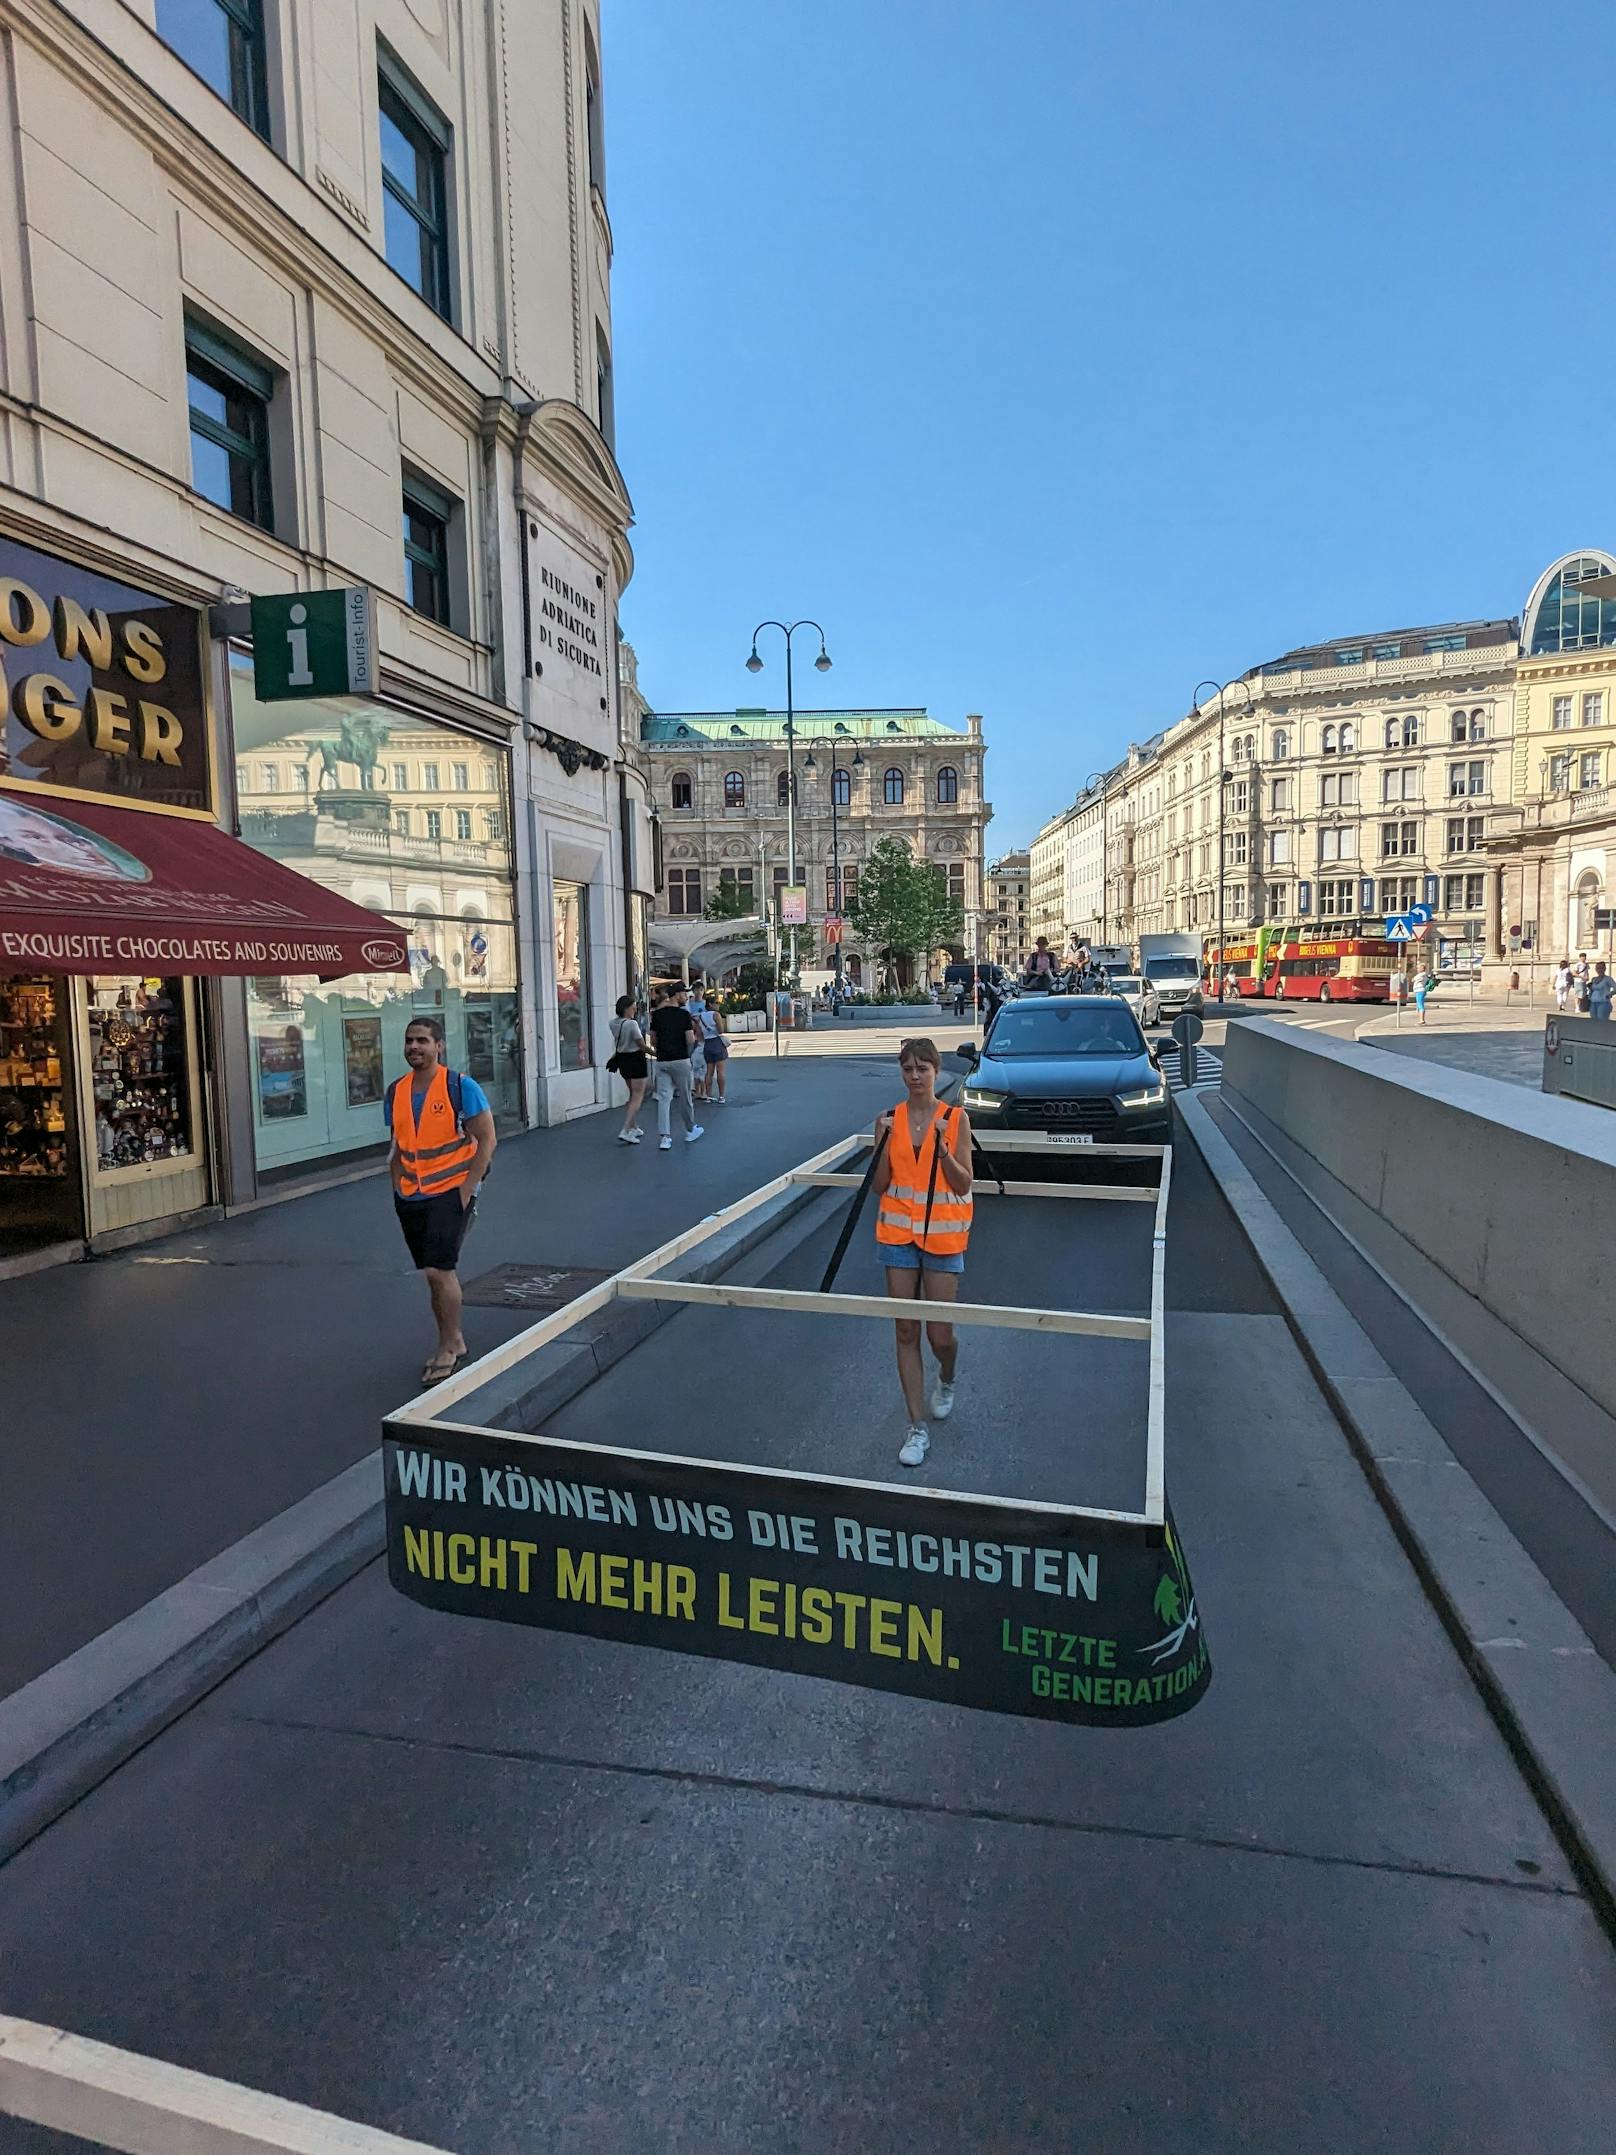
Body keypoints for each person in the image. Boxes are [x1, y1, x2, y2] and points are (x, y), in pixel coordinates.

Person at [873, 1037, 973, 1468]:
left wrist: (945, 1150)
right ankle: (916, 1427)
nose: (915, 1077)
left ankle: (947, 1376)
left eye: (923, 1069)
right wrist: (881, 1142)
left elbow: (964, 1182)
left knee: (940, 1335)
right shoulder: (889, 1120)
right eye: (908, 1069)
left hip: (942, 1237)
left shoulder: (955, 1118)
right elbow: (879, 1185)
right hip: (897, 1236)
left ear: (936, 1072)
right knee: (906, 1332)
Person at [387, 1016, 496, 1387]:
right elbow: (398, 1144)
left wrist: (466, 1190)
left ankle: (449, 1346)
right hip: (410, 1196)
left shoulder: (460, 1087)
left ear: (439, 1046)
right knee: (431, 1275)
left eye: (422, 1040)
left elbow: (487, 1139)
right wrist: (396, 1187)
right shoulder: (397, 1090)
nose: (414, 1047)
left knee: (439, 1270)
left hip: (451, 1191)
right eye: (409, 1041)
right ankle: (454, 1340)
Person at [648, 985, 704, 1149]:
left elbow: (652, 1040)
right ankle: (690, 1129)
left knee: (664, 1099)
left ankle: (665, 1137)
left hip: (662, 1061)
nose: (687, 997)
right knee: (685, 1096)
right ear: (677, 995)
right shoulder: (684, 1015)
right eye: (685, 994)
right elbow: (689, 1040)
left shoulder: (656, 1015)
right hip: (680, 1060)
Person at [609, 994, 649, 1143]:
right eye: (633, 1007)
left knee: (633, 1094)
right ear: (627, 1008)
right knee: (638, 1095)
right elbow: (641, 1045)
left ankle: (633, 1126)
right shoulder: (632, 1024)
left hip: (622, 1059)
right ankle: (626, 1129)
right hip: (635, 1059)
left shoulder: (612, 1023)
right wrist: (656, 1053)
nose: (635, 1010)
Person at [697, 990, 729, 1103]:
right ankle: (721, 1096)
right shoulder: (716, 1015)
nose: (718, 1005)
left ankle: (708, 1095)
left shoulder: (701, 1017)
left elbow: (699, 1034)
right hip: (717, 1043)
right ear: (710, 1004)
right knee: (720, 1071)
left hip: (707, 1044)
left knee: (709, 1071)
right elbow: (721, 1030)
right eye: (716, 1003)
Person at [686, 985, 710, 1101]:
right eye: (696, 990)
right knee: (694, 1064)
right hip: (692, 1033)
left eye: (701, 990)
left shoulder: (706, 1004)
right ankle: (696, 1089)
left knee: (704, 1065)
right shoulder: (689, 1004)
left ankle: (704, 1090)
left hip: (703, 1035)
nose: (698, 992)